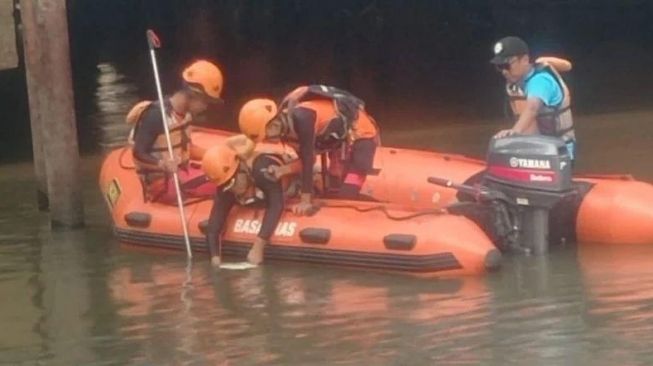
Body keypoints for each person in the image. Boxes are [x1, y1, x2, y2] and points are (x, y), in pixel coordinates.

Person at [237, 85, 380, 215]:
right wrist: (283, 170)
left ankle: (375, 211)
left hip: (361, 135)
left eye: (267, 135)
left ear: (273, 123)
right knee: (333, 189)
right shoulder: (286, 133)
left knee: (347, 195)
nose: (268, 139)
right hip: (337, 141)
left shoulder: (303, 118)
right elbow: (310, 160)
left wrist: (306, 200)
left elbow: (306, 158)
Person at [127, 60, 224, 203]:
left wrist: (217, 155)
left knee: (227, 171)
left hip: (181, 173)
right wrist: (161, 163)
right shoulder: (156, 115)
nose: (206, 107)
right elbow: (138, 153)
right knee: (224, 181)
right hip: (162, 183)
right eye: (206, 102)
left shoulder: (186, 115)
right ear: (193, 95)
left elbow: (187, 149)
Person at [202, 136, 296, 265]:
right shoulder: (225, 183)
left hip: (289, 184)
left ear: (240, 169)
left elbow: (276, 205)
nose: (230, 189)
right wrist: (215, 258)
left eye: (231, 184)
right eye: (225, 186)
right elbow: (213, 226)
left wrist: (258, 246)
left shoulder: (262, 170)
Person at [490, 36, 576, 162]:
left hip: (560, 151)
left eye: (507, 65)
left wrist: (515, 132)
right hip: (535, 148)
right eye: (499, 67)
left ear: (524, 60)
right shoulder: (516, 84)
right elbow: (567, 66)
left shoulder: (540, 81)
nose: (504, 71)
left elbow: (533, 108)